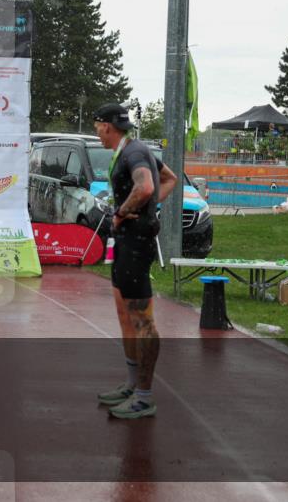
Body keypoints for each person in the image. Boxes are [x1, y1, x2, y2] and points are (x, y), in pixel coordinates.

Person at [92, 103, 177, 419]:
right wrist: (149, 207)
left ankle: (143, 397)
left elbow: (146, 186)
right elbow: (169, 179)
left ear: (107, 127)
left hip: (137, 243)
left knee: (141, 319)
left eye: (96, 127)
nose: (96, 133)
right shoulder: (133, 150)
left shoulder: (133, 153)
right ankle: (131, 385)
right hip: (127, 241)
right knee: (124, 312)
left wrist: (123, 212)